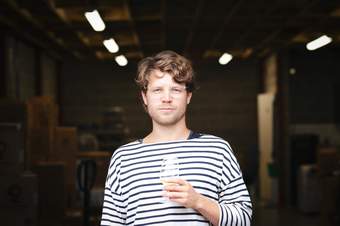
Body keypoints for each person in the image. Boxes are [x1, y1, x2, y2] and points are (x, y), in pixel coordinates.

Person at [100, 50, 252, 226]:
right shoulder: (123, 158)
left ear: (188, 96)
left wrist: (198, 202)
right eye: (157, 90)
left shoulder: (217, 150)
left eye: (176, 90)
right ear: (144, 97)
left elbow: (243, 219)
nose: (166, 98)